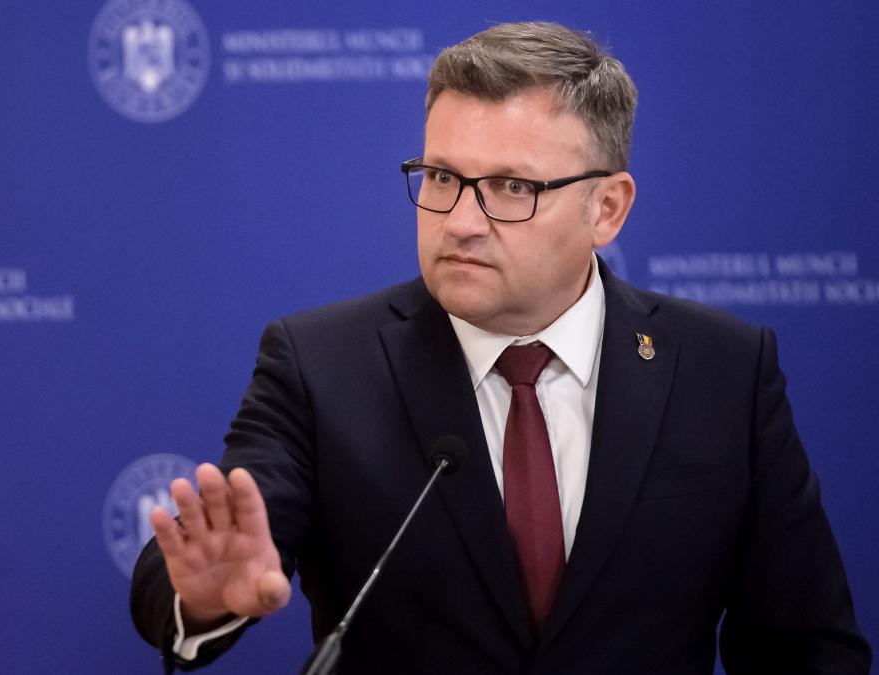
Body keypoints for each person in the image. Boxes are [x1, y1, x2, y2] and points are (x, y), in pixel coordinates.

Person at [129, 21, 871, 674]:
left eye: (512, 187)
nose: (460, 221)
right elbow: (206, 559)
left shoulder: (723, 371)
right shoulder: (320, 365)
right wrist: (204, 598)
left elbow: (807, 646)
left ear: (607, 208)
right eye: (442, 177)